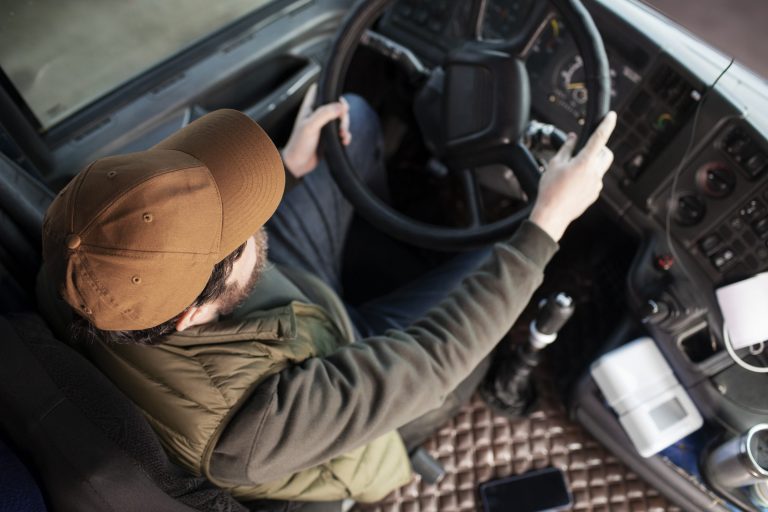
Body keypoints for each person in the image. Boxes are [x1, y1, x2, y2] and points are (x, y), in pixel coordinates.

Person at [37, 80, 616, 506]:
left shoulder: (74, 262)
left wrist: (285, 169)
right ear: (192, 314)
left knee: (353, 121)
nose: (257, 222)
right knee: (499, 266)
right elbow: (433, 359)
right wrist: (547, 221)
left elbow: (199, 260)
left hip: (289, 321)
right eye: (240, 231)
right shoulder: (246, 434)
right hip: (355, 408)